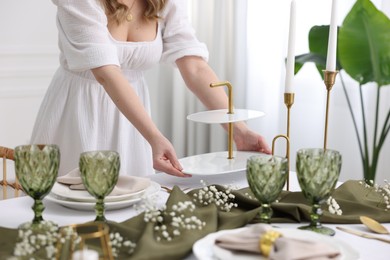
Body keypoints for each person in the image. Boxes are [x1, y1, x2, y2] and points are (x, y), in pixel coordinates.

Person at [31, 0, 271, 178]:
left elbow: (195, 67)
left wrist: (237, 129)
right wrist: (154, 136)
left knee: (131, 212)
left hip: (134, 122)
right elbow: (106, 73)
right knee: (74, 210)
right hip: (79, 113)